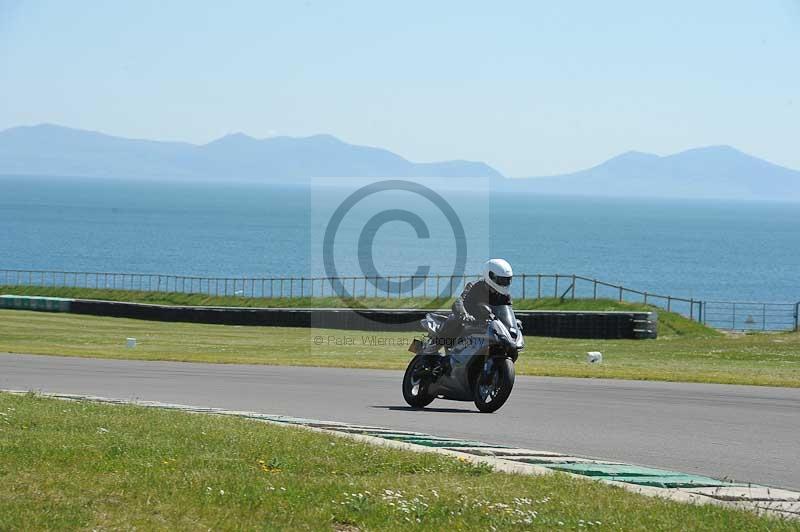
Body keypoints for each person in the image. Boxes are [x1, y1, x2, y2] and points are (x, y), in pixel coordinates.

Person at [422, 258, 513, 356]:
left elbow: (507, 312)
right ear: (490, 275)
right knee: (454, 320)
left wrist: (514, 323)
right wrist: (464, 315)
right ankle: (432, 348)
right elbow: (459, 302)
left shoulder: (505, 296)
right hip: (467, 322)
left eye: (506, 280)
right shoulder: (474, 287)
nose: (504, 283)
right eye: (501, 280)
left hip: (487, 325)